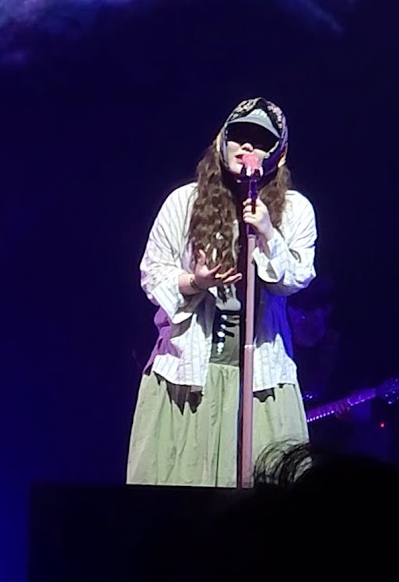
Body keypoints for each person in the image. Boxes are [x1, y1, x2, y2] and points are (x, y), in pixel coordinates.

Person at [126, 97, 316, 487]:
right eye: (240, 137)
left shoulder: (296, 210)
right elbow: (152, 273)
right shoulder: (184, 202)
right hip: (186, 373)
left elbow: (295, 277)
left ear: (277, 155)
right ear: (222, 142)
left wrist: (266, 231)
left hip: (262, 378)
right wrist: (195, 282)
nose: (247, 148)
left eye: (261, 141)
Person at [287, 276, 392, 461]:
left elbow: (366, 411)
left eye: (309, 309)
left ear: (326, 310)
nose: (301, 316)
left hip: (332, 449)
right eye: (295, 308)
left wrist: (356, 416)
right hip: (289, 443)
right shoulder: (282, 350)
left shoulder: (346, 351)